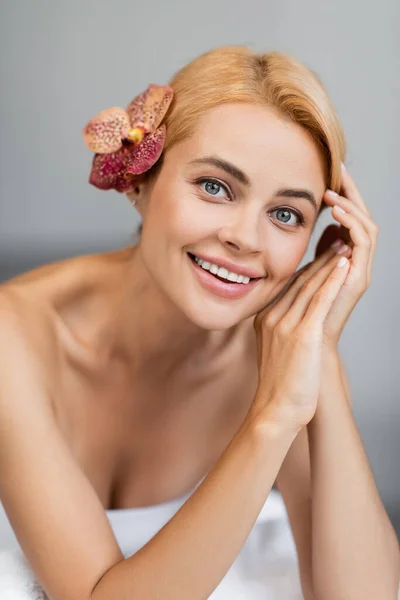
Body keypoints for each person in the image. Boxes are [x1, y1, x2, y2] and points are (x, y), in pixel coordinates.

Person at [0, 45, 398, 600]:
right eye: (215, 186)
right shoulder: (14, 336)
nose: (245, 238)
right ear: (139, 181)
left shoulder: (284, 361)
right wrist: (271, 416)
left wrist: (320, 348)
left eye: (286, 214)